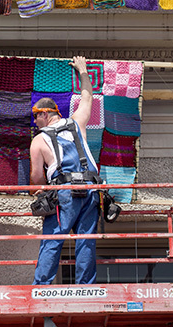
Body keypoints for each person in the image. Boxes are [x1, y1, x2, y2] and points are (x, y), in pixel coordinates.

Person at [30, 56, 100, 285]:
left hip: (65, 192)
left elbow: (37, 177)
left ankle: (41, 286)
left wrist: (37, 191)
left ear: (44, 113)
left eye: (35, 116)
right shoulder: (76, 122)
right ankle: (85, 287)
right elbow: (87, 97)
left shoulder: (39, 140)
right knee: (86, 239)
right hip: (91, 188)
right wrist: (83, 70)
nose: (35, 122)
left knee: (53, 238)